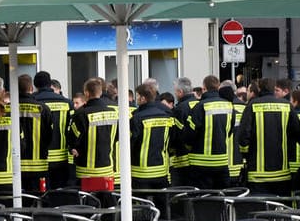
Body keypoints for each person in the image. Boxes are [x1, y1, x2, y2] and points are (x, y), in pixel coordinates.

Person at [236, 77, 299, 196]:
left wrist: (246, 155)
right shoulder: (286, 105)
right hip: (282, 171)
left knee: (260, 209)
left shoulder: (252, 105)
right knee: (281, 208)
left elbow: (243, 136)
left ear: (259, 88)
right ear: (274, 89)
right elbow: (297, 133)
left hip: (257, 174)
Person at [127, 80, 176, 212]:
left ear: (143, 98)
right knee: (162, 207)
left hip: (140, 172)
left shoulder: (137, 118)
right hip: (162, 171)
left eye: (138, 96)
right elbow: (173, 139)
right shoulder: (167, 115)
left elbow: (130, 143)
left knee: (141, 207)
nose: (137, 99)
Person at [68, 77, 119, 193]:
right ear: (100, 92)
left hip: (86, 170)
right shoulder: (113, 113)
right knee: (106, 203)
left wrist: (73, 148)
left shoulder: (81, 114)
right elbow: (117, 137)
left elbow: (72, 138)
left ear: (86, 93)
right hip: (107, 168)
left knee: (88, 204)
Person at [182, 75, 234, 189]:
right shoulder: (229, 105)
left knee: (202, 199)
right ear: (218, 87)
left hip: (200, 163)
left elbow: (189, 134)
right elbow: (230, 130)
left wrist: (189, 146)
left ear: (204, 88)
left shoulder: (200, 106)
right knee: (220, 199)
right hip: (222, 161)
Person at [30, 70, 74, 190]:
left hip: (39, 158)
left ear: (35, 85)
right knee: (60, 193)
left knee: (41, 193)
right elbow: (72, 128)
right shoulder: (67, 102)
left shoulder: (33, 102)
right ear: (50, 84)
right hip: (61, 158)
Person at [15, 74, 55, 194]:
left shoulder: (7, 109)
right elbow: (50, 135)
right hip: (39, 165)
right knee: (39, 198)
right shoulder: (43, 109)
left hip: (15, 166)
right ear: (31, 89)